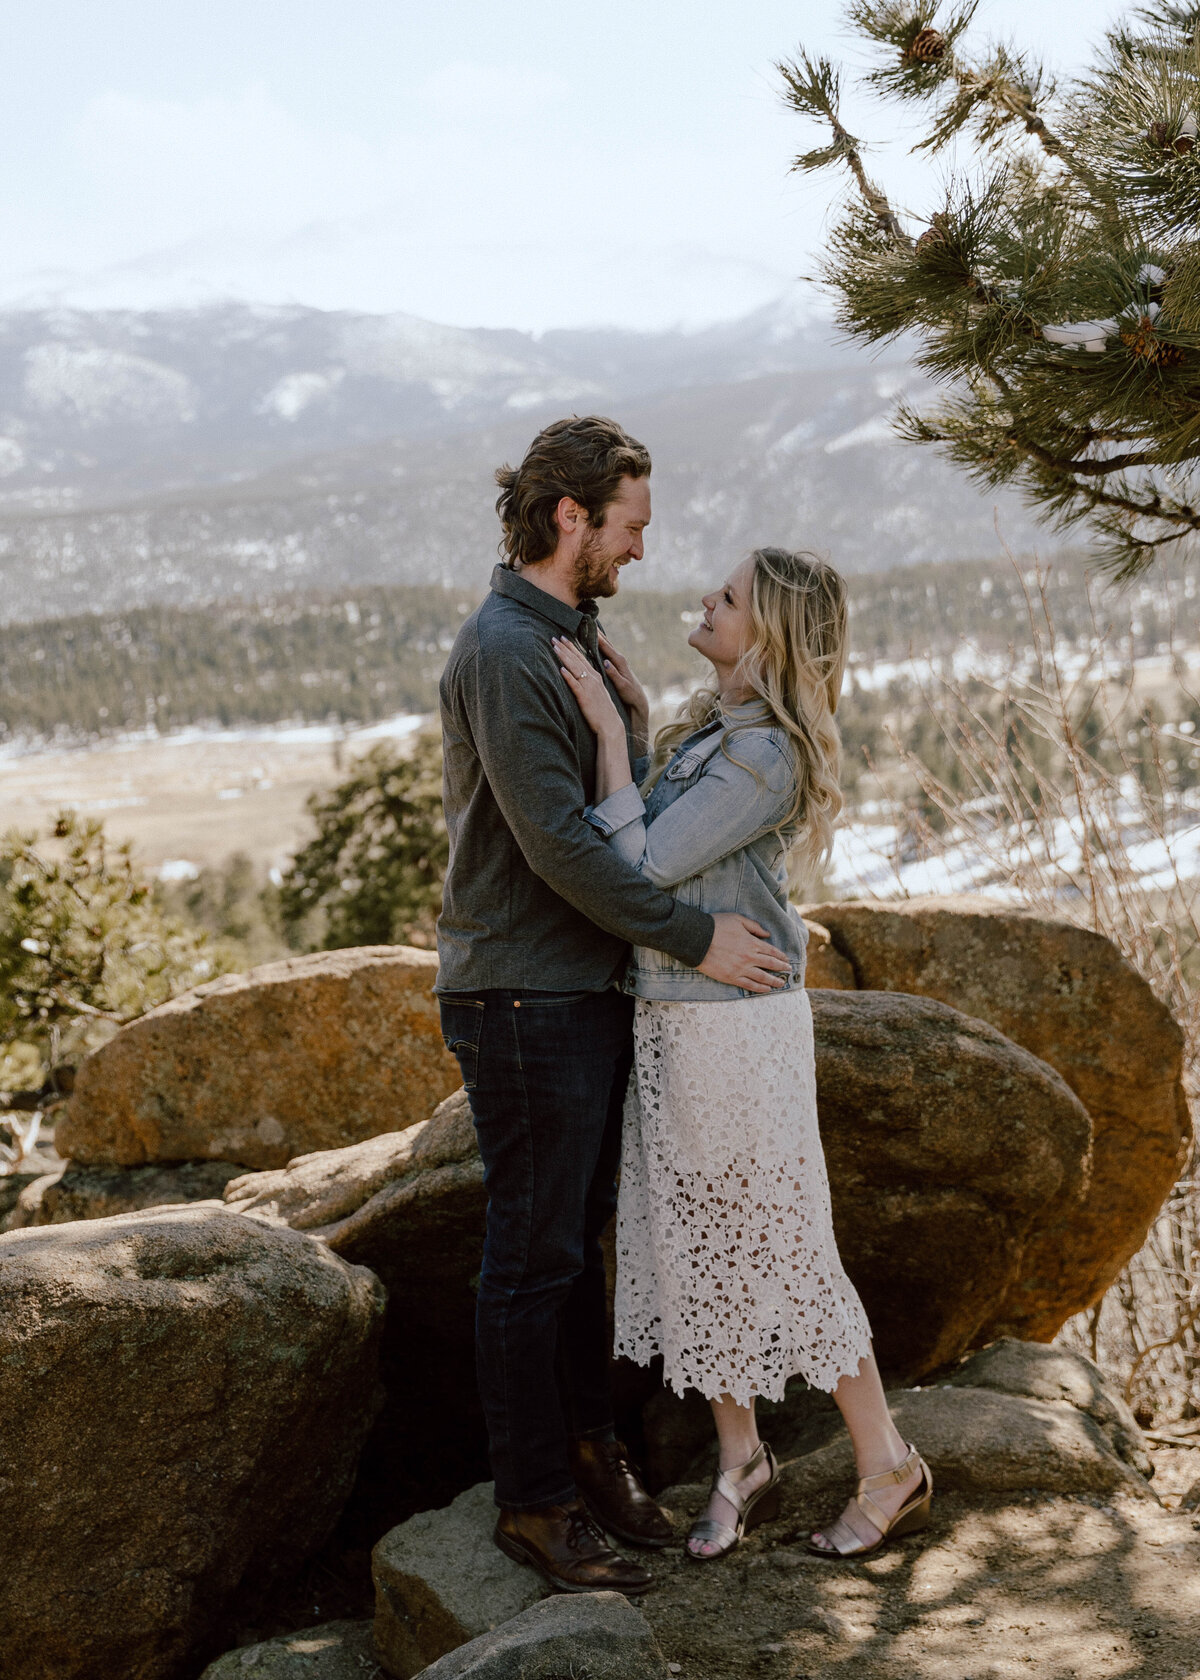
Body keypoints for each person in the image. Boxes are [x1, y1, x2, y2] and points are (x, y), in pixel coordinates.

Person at [436, 417, 794, 1596]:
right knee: (530, 1261)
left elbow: (609, 805)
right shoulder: (506, 646)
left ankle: (596, 1457)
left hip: (578, 988)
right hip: (523, 994)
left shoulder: (567, 633)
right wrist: (698, 937)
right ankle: (534, 1504)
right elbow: (560, 851)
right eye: (630, 525)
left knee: (572, 1250)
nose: (643, 550)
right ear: (569, 517)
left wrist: (628, 728)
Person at [552, 545, 932, 1561]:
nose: (706, 602)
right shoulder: (713, 734)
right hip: (674, 1012)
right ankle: (740, 1461)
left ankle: (890, 1464)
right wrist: (629, 730)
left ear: (771, 640)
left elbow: (642, 863)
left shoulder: (764, 754)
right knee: (695, 1241)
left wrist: (601, 732)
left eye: (729, 599)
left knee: (785, 1248)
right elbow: (639, 845)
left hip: (736, 1029)